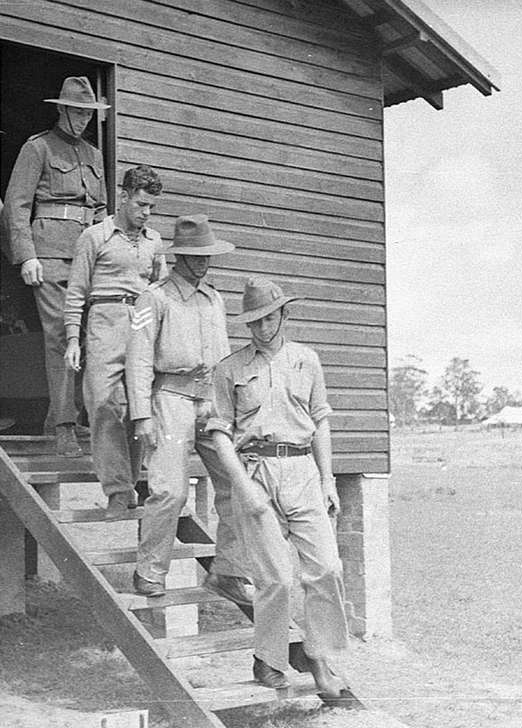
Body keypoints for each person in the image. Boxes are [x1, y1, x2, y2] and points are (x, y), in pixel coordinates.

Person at [205, 277, 353, 702]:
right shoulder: (229, 369)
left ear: (284, 315)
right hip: (256, 472)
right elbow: (219, 434)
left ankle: (320, 658)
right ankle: (268, 658)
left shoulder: (308, 360)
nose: (262, 329)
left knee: (326, 568)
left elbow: (321, 420)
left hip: (303, 470)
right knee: (275, 578)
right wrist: (242, 488)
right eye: (253, 322)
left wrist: (327, 479)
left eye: (268, 319)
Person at [125, 214, 252, 605]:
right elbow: (138, 358)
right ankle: (149, 572)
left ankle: (228, 572)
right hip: (170, 400)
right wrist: (141, 414)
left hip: (211, 402)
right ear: (178, 256)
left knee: (238, 486)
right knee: (170, 491)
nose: (201, 262)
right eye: (194, 255)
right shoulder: (153, 298)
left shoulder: (214, 299)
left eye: (206, 255)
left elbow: (226, 360)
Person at [2, 76, 109, 457]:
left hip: (88, 258)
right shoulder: (39, 148)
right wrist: (26, 254)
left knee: (90, 338)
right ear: (61, 109)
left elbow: (100, 212)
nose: (82, 119)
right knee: (62, 338)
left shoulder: (95, 156)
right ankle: (64, 425)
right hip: (48, 255)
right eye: (77, 111)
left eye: (88, 113)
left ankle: (68, 419)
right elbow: (16, 204)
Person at [64, 165, 166, 519]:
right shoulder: (94, 237)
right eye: (141, 204)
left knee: (140, 407)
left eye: (152, 207)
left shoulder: (154, 242)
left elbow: (162, 289)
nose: (146, 213)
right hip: (104, 321)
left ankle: (129, 485)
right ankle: (118, 490)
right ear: (123, 197)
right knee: (103, 404)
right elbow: (76, 292)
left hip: (142, 322)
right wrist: (72, 340)